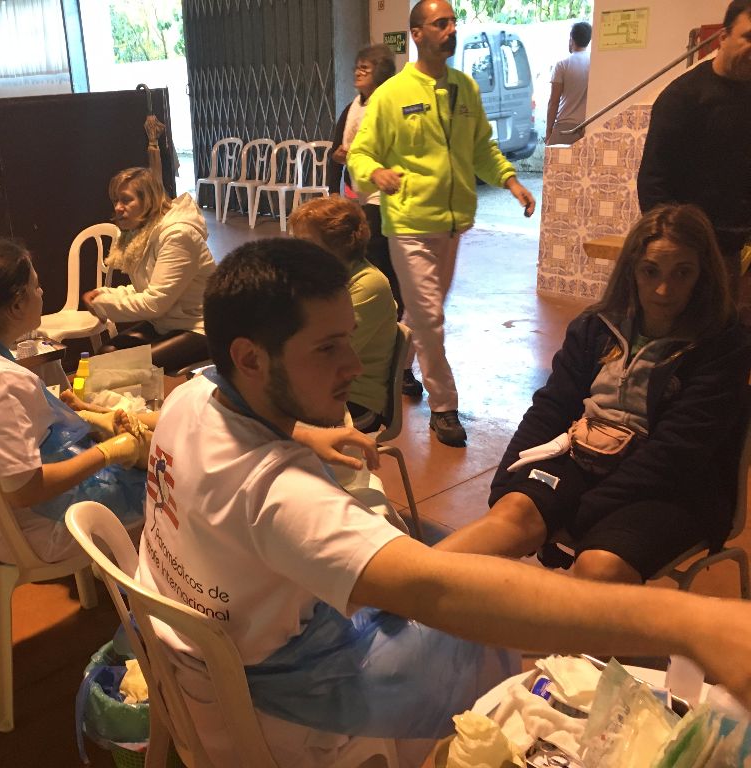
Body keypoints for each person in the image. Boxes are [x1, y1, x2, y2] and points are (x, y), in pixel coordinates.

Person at [135, 236, 751, 767]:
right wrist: (692, 624)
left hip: (192, 672)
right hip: (274, 722)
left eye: (350, 338)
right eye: (327, 348)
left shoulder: (191, 397)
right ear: (250, 358)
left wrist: (301, 429)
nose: (354, 363)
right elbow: (442, 590)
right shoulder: (284, 500)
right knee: (481, 632)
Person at [437, 204, 750, 585]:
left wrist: (578, 513)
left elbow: (677, 452)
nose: (663, 289)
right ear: (632, 270)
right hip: (586, 456)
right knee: (513, 513)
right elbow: (552, 406)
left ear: (703, 275)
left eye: (682, 273)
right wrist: (506, 482)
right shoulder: (596, 325)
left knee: (600, 565)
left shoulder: (722, 344)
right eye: (651, 271)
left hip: (675, 487)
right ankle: (398, 590)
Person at [348, 0, 536, 447]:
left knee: (421, 313)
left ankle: (397, 368)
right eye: (441, 23)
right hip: (408, 224)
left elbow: (482, 148)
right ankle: (444, 406)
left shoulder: (464, 88)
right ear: (417, 34)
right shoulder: (393, 94)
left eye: (453, 22)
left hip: (451, 226)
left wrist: (510, 180)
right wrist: (377, 173)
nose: (451, 29)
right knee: (430, 316)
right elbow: (360, 153)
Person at [0, 238, 152, 564]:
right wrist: (108, 452)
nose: (42, 293)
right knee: (169, 485)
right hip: (29, 531)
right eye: (36, 286)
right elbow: (24, 491)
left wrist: (88, 415)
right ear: (16, 306)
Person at [637, 0, 751, 295]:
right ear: (723, 37)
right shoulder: (682, 98)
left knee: (723, 322)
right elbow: (652, 182)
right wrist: (673, 249)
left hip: (731, 249)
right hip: (685, 251)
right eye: (748, 37)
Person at [82, 166, 216, 372]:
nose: (118, 207)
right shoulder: (144, 233)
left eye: (126, 200)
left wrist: (102, 304)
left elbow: (155, 303)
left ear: (149, 201)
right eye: (116, 201)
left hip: (201, 327)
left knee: (125, 366)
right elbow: (146, 287)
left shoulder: (178, 235)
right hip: (168, 323)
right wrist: (104, 294)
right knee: (107, 353)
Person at [289, 196, 397, 432]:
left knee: (253, 423)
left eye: (305, 243)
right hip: (315, 387)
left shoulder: (368, 284)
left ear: (338, 245)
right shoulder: (317, 277)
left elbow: (326, 356)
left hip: (351, 399)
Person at [328, 45, 406, 357]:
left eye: (366, 68)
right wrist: (333, 189)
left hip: (383, 196)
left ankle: (391, 330)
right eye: (357, 66)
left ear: (382, 74)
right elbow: (335, 152)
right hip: (356, 193)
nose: (358, 72)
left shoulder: (391, 106)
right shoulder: (352, 108)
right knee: (367, 259)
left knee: (378, 259)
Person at [545, 21, 591, 146]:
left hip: (565, 128)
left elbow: (554, 102)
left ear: (571, 39)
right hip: (588, 126)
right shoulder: (594, 63)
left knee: (556, 158)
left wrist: (549, 132)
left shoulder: (562, 65)